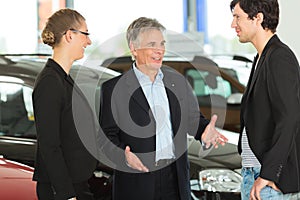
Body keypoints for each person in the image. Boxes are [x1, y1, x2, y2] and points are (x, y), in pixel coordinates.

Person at [99, 17, 228, 200]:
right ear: (134, 48)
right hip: (137, 183)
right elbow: (106, 138)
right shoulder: (113, 89)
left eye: (162, 43)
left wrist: (204, 130)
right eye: (152, 44)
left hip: (175, 179)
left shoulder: (177, 82)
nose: (160, 50)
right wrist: (124, 157)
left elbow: (192, 119)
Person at [230, 0, 300, 199]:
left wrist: (269, 173)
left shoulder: (279, 57)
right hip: (255, 175)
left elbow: (290, 118)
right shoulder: (262, 57)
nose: (233, 24)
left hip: (267, 181)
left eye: (238, 17)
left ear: (258, 18)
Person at [32, 8, 98, 200]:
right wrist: (66, 194)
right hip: (62, 189)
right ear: (70, 35)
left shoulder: (63, 78)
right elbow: (49, 145)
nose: (89, 41)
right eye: (85, 34)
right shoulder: (50, 82)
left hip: (74, 183)